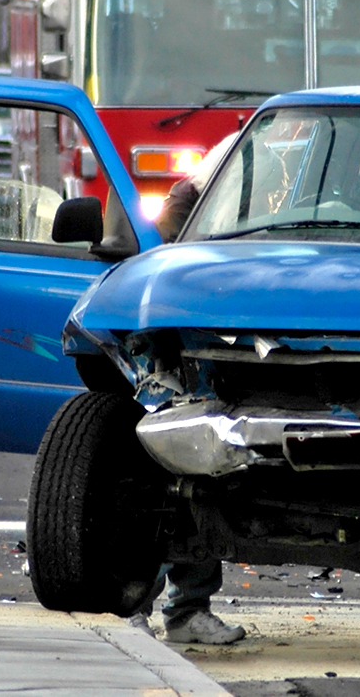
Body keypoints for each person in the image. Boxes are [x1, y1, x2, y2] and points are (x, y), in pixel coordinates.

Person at [140, 133, 247, 645]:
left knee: (207, 480)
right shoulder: (242, 149)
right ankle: (135, 602)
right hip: (204, 338)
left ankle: (187, 610)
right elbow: (170, 219)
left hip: (245, 344)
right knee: (175, 473)